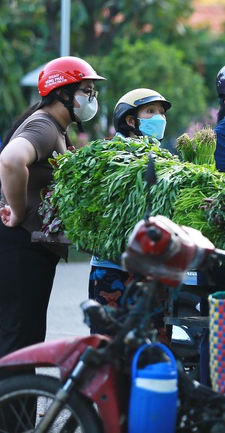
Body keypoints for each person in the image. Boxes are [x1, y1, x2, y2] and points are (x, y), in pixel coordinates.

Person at [0, 56, 105, 390]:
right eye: (86, 91)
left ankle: (11, 420)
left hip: (25, 250)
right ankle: (8, 425)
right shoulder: (44, 126)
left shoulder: (55, 128)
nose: (91, 100)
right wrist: (17, 211)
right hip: (15, 246)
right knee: (19, 339)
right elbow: (10, 160)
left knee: (24, 338)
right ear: (62, 93)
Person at [88, 88, 172, 339]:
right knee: (108, 340)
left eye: (161, 113)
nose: (159, 117)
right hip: (112, 266)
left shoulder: (164, 158)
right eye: (151, 111)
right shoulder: (109, 155)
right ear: (130, 120)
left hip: (153, 267)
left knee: (153, 341)